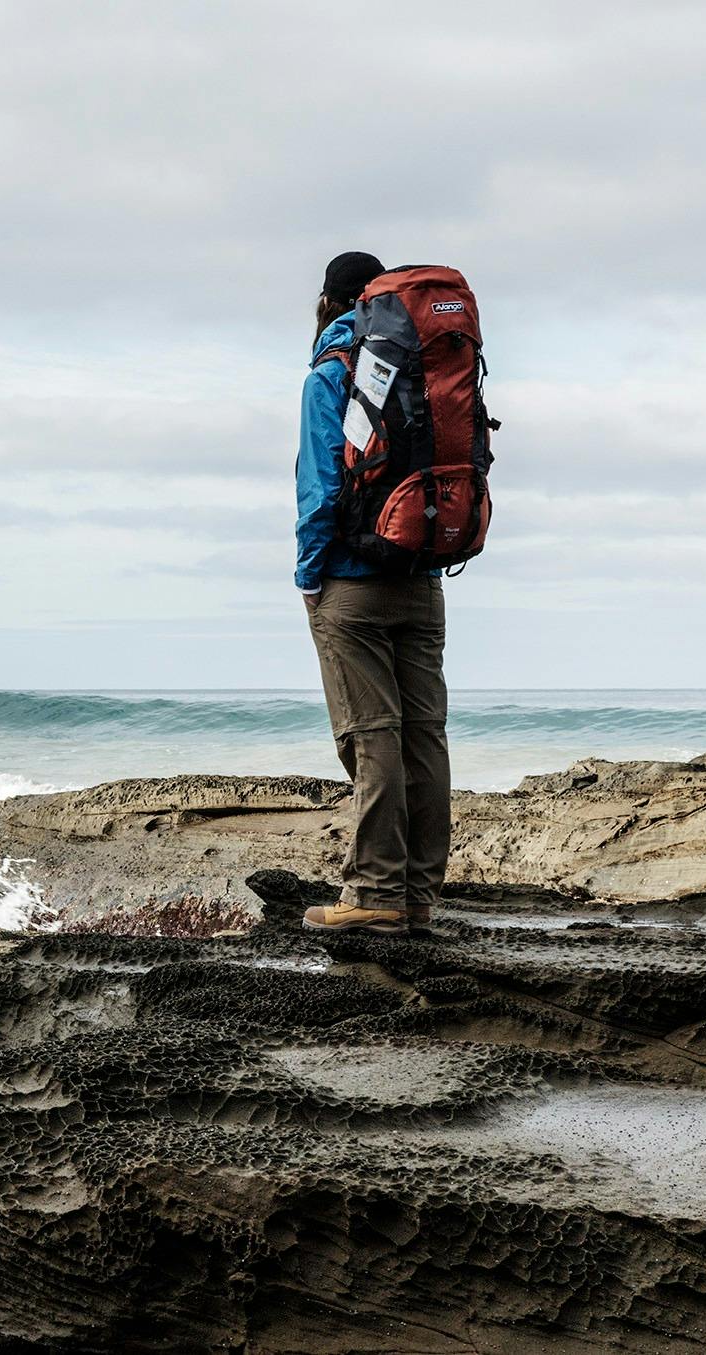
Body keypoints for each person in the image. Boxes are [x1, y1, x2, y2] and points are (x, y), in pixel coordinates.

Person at [294, 251, 449, 937]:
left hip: (352, 585)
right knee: (424, 737)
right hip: (422, 576)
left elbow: (322, 490)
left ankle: (375, 892)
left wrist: (309, 576)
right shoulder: (422, 366)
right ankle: (417, 894)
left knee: (371, 735)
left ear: (328, 301)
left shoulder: (331, 373)